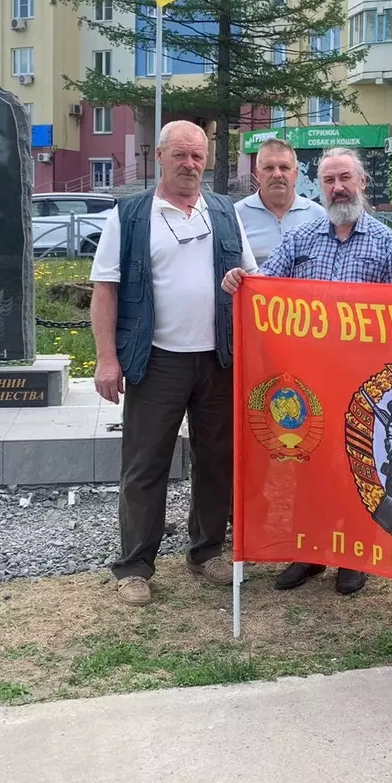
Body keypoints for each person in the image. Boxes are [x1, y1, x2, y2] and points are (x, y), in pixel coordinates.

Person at [222, 146, 392, 596]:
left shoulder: (387, 243)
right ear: (320, 187)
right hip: (307, 381)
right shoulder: (302, 239)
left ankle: (354, 555)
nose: (338, 187)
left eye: (346, 178)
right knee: (308, 468)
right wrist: (240, 283)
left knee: (359, 467)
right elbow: (265, 289)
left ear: (362, 183)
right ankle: (309, 552)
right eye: (329, 180)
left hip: (365, 384)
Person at [90, 120, 258, 607]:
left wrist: (241, 287)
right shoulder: (130, 215)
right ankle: (135, 566)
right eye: (180, 155)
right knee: (145, 466)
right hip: (156, 361)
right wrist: (106, 359)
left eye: (198, 156)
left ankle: (206, 553)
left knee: (217, 462)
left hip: (217, 361)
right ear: (159, 156)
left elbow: (252, 280)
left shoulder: (225, 213)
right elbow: (106, 289)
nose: (190, 164)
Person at [235, 137, 327, 264]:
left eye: (284, 167)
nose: (277, 174)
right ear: (257, 174)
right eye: (269, 168)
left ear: (296, 174)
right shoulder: (235, 216)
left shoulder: (320, 216)